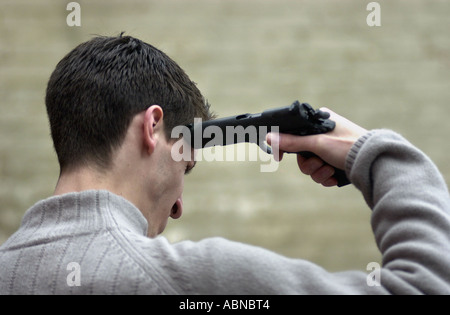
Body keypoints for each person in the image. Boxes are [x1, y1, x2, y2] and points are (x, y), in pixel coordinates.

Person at [0, 34, 449, 295]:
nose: (178, 208)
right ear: (152, 127)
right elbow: (428, 285)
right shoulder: (194, 282)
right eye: (186, 167)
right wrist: (374, 152)